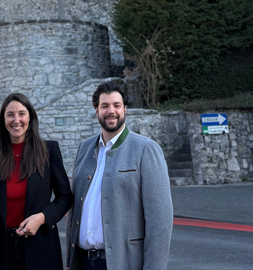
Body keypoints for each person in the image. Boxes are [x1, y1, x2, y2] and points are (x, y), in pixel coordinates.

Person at [66, 82, 173, 270]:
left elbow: (160, 223)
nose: (111, 111)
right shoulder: (84, 148)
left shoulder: (146, 149)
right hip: (82, 262)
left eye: (116, 105)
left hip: (123, 263)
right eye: (104, 106)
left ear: (125, 109)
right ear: (96, 111)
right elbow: (74, 210)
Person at [0, 92, 73, 270]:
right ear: (3, 120)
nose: (16, 120)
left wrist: (42, 217)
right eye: (10, 115)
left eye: (22, 113)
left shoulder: (49, 151)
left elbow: (65, 197)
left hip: (41, 252)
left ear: (30, 117)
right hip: (1, 254)